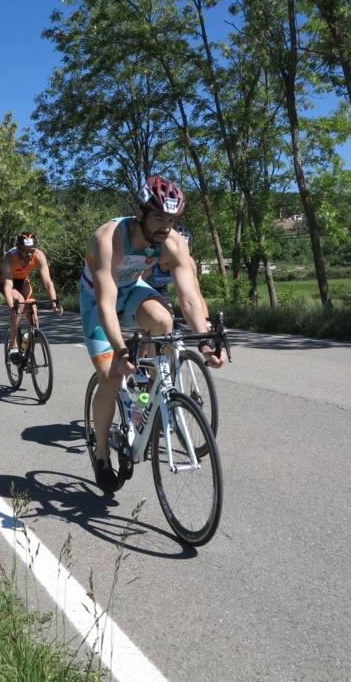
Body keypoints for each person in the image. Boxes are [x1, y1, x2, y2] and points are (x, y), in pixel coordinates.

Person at [82, 175, 223, 492]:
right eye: (159, 217)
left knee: (164, 320)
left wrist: (205, 341)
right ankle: (102, 454)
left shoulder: (174, 242)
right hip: (98, 302)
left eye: (172, 220)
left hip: (131, 290)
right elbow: (106, 304)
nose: (165, 226)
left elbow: (189, 298)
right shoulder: (109, 238)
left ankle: (145, 392)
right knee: (111, 377)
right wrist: (120, 350)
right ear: (140, 212)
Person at [1, 231, 62, 361]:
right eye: (24, 250)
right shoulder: (10, 257)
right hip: (7, 282)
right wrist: (11, 305)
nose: (29, 254)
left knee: (33, 310)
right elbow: (7, 284)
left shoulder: (39, 255)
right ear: (18, 248)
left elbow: (48, 282)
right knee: (19, 305)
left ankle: (26, 341)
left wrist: (54, 302)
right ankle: (13, 346)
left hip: (23, 281)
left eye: (31, 250)